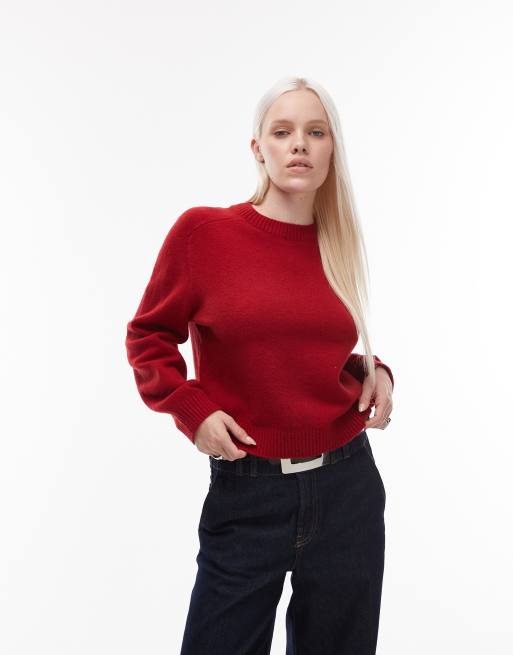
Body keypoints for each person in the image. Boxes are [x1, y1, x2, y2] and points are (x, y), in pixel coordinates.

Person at [125, 75, 395, 655]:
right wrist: (192, 409)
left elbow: (305, 351)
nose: (299, 144)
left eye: (316, 132)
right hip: (248, 489)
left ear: (332, 149)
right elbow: (148, 336)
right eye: (282, 131)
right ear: (258, 148)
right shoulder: (205, 233)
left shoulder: (336, 241)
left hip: (348, 487)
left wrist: (377, 371)